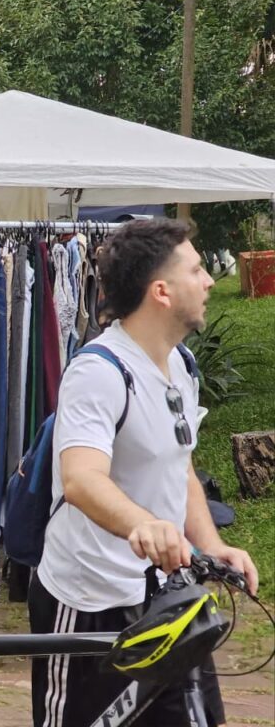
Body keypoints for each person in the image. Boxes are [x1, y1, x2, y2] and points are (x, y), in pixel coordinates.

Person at [29, 219, 259, 727]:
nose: (208, 280)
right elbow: (81, 479)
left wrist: (210, 545)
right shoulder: (99, 371)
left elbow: (180, 464)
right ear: (161, 291)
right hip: (90, 597)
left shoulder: (181, 365)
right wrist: (143, 524)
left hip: (165, 594)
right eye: (195, 270)